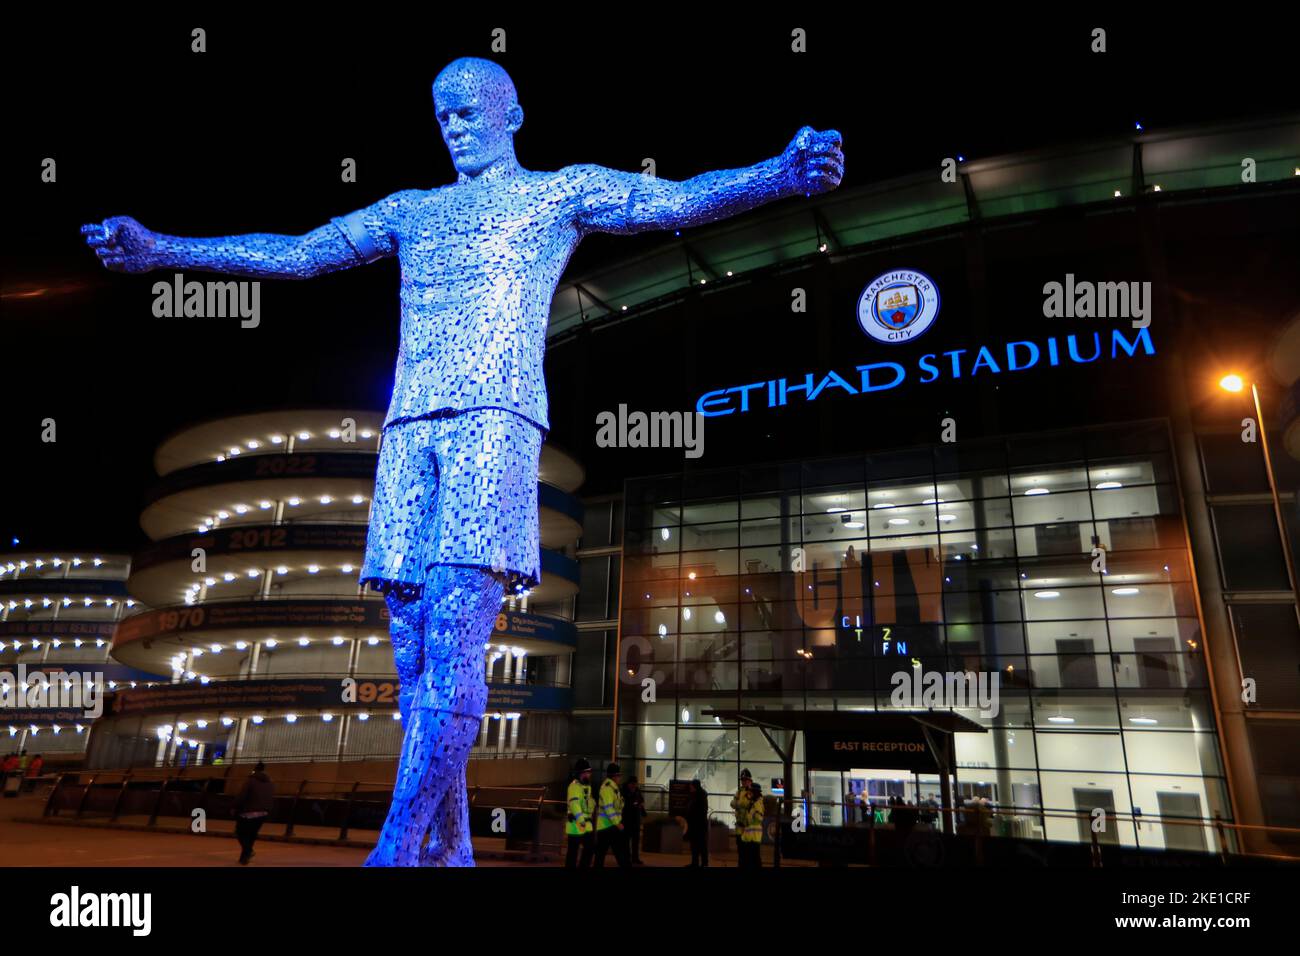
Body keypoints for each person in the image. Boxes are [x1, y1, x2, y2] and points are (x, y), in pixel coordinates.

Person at [82, 58, 843, 869]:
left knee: (453, 625)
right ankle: (451, 848)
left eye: (471, 110)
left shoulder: (557, 192)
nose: (455, 126)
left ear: (512, 113)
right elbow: (300, 253)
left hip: (495, 420)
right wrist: (163, 247)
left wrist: (781, 173)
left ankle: (397, 849)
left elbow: (676, 200)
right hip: (410, 428)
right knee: (410, 646)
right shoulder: (413, 210)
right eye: (443, 115)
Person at [233, 761, 275, 865]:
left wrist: (235, 807)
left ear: (255, 770)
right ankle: (244, 858)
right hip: (263, 812)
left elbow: (242, 796)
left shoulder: (250, 781)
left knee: (240, 832)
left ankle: (248, 851)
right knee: (252, 835)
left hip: (249, 812)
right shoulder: (270, 782)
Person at [595, 763, 629, 867]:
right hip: (608, 827)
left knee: (603, 855)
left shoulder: (614, 788)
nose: (620, 778)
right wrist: (617, 823)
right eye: (619, 776)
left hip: (609, 827)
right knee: (619, 854)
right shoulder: (608, 788)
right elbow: (609, 808)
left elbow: (617, 806)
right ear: (614, 776)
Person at [565, 758, 595, 868]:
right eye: (588, 772)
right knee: (573, 853)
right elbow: (574, 805)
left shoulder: (587, 786)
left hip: (586, 824)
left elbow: (587, 805)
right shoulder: (574, 786)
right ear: (581, 773)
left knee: (589, 850)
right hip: (576, 824)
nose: (590, 774)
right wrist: (581, 820)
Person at [730, 768, 755, 861]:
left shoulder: (753, 791)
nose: (743, 782)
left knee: (748, 850)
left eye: (745, 780)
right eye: (742, 780)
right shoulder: (740, 791)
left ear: (750, 780)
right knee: (740, 849)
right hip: (739, 824)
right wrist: (739, 804)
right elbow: (732, 803)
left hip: (749, 826)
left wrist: (738, 804)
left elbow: (747, 804)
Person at [621, 776, 646, 865]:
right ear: (628, 784)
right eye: (632, 784)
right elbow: (627, 804)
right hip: (627, 819)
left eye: (635, 784)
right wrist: (635, 803)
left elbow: (641, 801)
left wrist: (642, 811)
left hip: (636, 820)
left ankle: (635, 858)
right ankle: (627, 859)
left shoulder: (637, 790)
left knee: (636, 841)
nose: (634, 785)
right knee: (626, 841)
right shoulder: (624, 792)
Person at [739, 782, 765, 868]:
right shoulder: (753, 802)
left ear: (755, 792)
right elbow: (741, 803)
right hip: (750, 836)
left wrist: (749, 818)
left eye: (750, 791)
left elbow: (759, 818)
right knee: (752, 859)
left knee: (754, 859)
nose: (749, 793)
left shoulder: (757, 803)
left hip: (754, 836)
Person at [686, 779, 710, 867]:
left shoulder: (701, 795)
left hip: (699, 825)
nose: (690, 787)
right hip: (694, 824)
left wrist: (692, 816)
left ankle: (704, 863)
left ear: (695, 786)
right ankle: (694, 863)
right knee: (694, 845)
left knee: (702, 845)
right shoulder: (694, 795)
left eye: (691, 786)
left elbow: (702, 811)